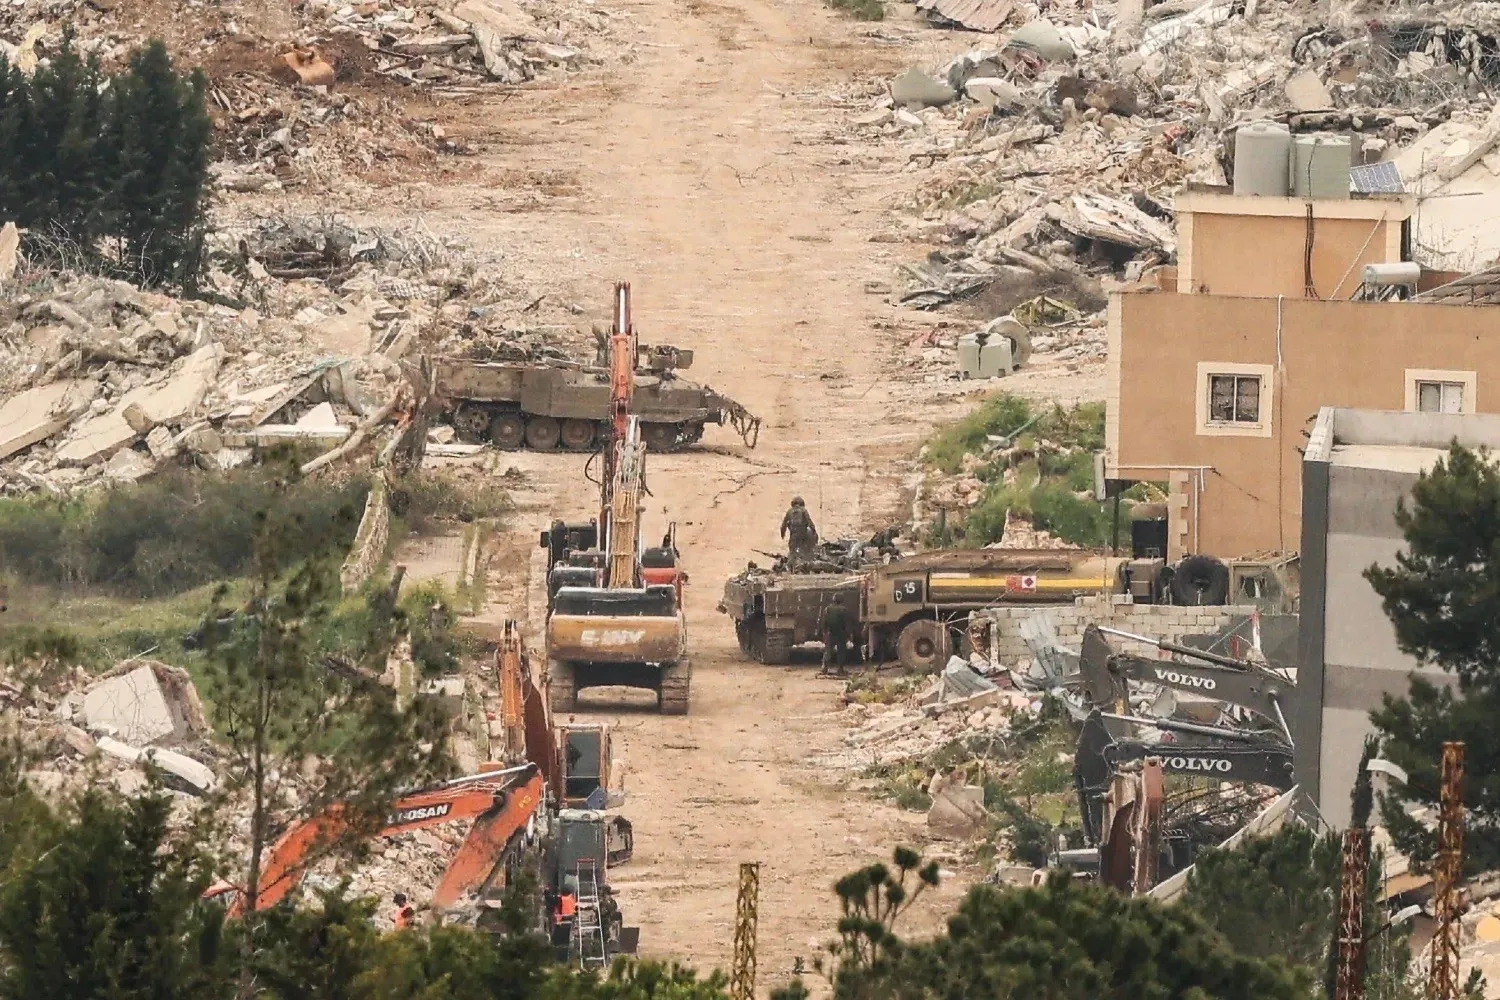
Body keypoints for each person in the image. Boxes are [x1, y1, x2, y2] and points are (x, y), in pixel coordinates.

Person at [780, 497, 818, 564]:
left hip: (793, 535)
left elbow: (783, 525)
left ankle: (791, 564)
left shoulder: (789, 511)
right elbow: (809, 522)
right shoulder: (803, 510)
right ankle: (807, 561)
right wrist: (814, 532)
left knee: (792, 551)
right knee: (806, 550)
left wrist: (782, 534)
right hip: (803, 534)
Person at [818, 602, 852, 677]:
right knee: (841, 651)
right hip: (841, 633)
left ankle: (824, 668)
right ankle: (840, 669)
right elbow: (846, 623)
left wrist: (824, 632)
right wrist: (848, 634)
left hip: (830, 632)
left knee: (828, 650)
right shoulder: (843, 610)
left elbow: (824, 622)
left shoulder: (827, 609)